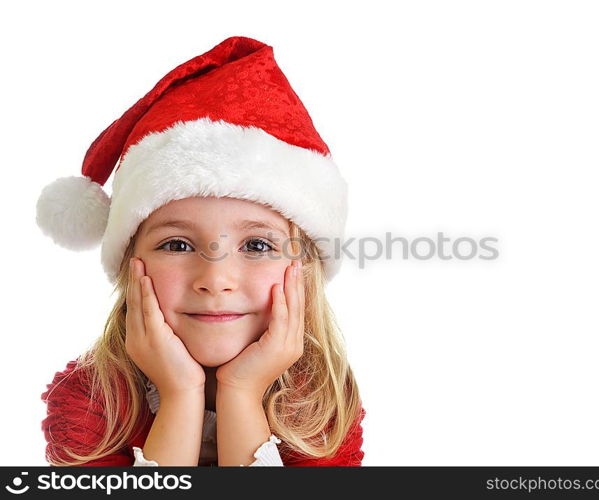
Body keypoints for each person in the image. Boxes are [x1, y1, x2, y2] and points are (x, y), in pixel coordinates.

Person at [35, 36, 365, 467]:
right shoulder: (92, 399)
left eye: (257, 244)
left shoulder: (321, 402)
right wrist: (179, 395)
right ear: (130, 263)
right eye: (177, 244)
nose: (214, 279)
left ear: (302, 269)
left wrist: (242, 394)